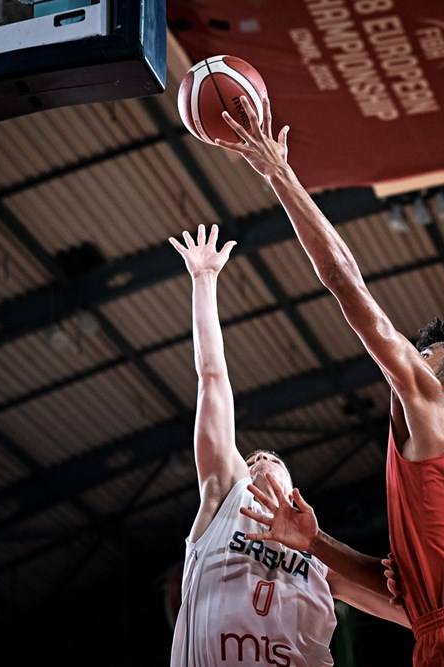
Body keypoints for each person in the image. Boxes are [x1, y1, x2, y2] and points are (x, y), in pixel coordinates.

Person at [219, 98, 444, 667]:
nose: (414, 358)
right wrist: (313, 543)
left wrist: (281, 175)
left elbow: (347, 283)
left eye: (428, 352)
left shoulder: (441, 408)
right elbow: (413, 609)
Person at [167, 224, 408, 667]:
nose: (261, 460)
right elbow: (212, 379)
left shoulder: (318, 557)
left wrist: (414, 582)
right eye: (252, 458)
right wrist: (204, 281)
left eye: (273, 459)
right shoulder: (223, 499)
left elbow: (413, 618)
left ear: (296, 490)